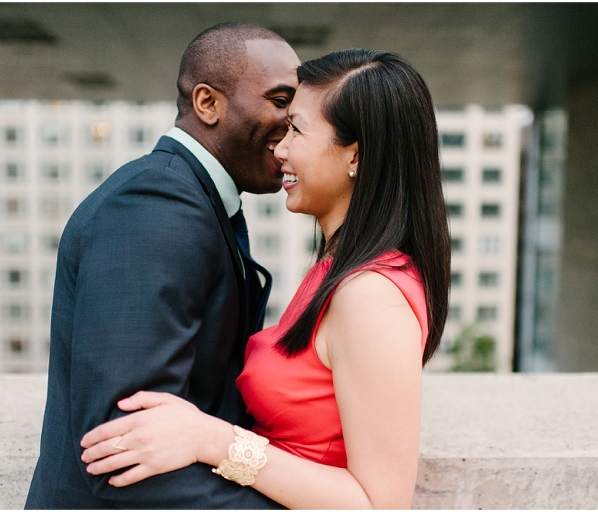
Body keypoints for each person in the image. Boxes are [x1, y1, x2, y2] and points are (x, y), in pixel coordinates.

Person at [80, 48, 451, 509]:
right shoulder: (336, 273)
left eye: (296, 129)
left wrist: (214, 439)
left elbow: (379, 504)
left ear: (356, 155)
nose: (280, 148)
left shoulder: (371, 296)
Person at [25, 23, 300, 509]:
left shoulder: (187, 198)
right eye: (281, 101)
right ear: (207, 104)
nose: (292, 126)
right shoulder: (156, 207)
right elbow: (123, 457)